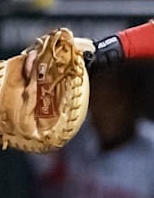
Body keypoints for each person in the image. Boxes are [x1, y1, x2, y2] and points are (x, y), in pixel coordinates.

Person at [30, 65, 154, 198]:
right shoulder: (74, 136)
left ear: (132, 102)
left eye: (112, 102)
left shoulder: (150, 151)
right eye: (96, 101)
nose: (103, 112)